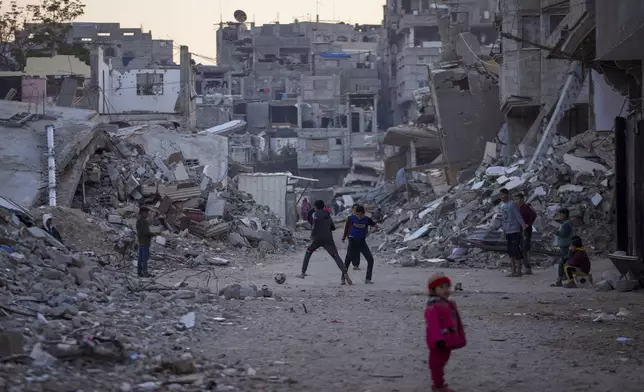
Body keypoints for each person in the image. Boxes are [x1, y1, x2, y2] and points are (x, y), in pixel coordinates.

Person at [425, 273, 466, 392]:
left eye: (447, 286)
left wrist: (458, 337)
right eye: (441, 287)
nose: (446, 290)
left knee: (443, 362)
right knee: (436, 364)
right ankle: (438, 385)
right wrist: (438, 340)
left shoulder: (448, 304)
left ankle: (439, 383)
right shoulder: (433, 306)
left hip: (447, 341)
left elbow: (455, 321)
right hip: (438, 342)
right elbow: (433, 325)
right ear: (433, 290)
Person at [298, 200, 353, 285]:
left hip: (317, 238)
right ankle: (345, 272)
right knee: (335, 256)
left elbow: (315, 225)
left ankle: (303, 272)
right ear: (323, 206)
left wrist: (312, 235)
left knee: (308, 252)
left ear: (315, 207)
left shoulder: (316, 215)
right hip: (328, 239)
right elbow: (333, 227)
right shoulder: (327, 214)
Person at [342, 205, 380, 284]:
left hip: (362, 242)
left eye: (359, 214)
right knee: (347, 260)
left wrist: (374, 230)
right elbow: (347, 227)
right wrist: (344, 237)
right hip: (352, 241)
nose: (358, 216)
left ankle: (368, 279)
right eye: (356, 214)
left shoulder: (367, 220)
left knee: (370, 260)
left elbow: (376, 226)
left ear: (363, 213)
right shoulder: (351, 218)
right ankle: (343, 278)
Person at [500, 188, 526, 277]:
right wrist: (503, 230)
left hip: (515, 229)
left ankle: (519, 270)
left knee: (516, 250)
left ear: (507, 195)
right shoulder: (503, 206)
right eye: (500, 195)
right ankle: (513, 271)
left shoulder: (512, 204)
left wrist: (523, 226)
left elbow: (518, 216)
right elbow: (503, 219)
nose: (501, 197)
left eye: (503, 195)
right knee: (510, 251)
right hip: (508, 230)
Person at [515, 193, 537, 275]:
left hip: (526, 231)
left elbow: (534, 215)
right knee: (520, 248)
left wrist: (528, 223)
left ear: (522, 199)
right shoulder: (518, 208)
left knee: (525, 249)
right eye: (515, 199)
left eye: (517, 199)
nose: (516, 201)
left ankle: (528, 268)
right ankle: (523, 267)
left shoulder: (526, 207)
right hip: (519, 230)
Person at [552, 208, 573, 286]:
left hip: (565, 245)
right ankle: (563, 277)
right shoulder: (565, 223)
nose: (559, 216)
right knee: (564, 261)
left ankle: (563, 278)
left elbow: (563, 234)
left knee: (564, 261)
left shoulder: (566, 224)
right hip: (563, 245)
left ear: (564, 214)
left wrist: (556, 232)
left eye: (560, 214)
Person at [342, 204, 362, 270]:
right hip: (351, 236)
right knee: (350, 250)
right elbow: (346, 228)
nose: (356, 211)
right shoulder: (350, 218)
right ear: (352, 210)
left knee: (357, 250)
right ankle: (346, 264)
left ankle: (356, 264)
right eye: (354, 209)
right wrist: (344, 237)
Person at [136, 206, 154, 278]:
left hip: (141, 241)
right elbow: (146, 232)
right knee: (145, 259)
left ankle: (139, 272)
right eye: (146, 212)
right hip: (145, 241)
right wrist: (153, 234)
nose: (147, 214)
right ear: (142, 213)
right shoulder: (144, 221)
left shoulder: (138, 221)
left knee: (140, 258)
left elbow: (139, 232)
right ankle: (145, 273)